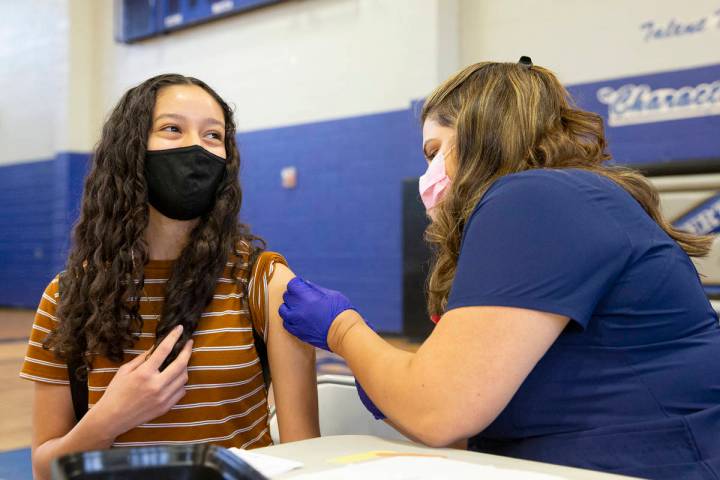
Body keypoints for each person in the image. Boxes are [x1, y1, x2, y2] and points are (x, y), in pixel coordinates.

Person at [279, 58, 720, 479]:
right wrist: (392, 384)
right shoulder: (570, 197)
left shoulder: (532, 198)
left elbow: (440, 411)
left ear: (479, 132)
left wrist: (343, 331)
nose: (428, 173)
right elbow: (470, 405)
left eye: (435, 151)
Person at [20, 74, 319, 480]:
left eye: (213, 135)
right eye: (172, 129)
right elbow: (46, 469)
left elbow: (305, 457)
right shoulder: (67, 296)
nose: (196, 147)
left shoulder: (263, 281)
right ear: (130, 149)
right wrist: (110, 416)